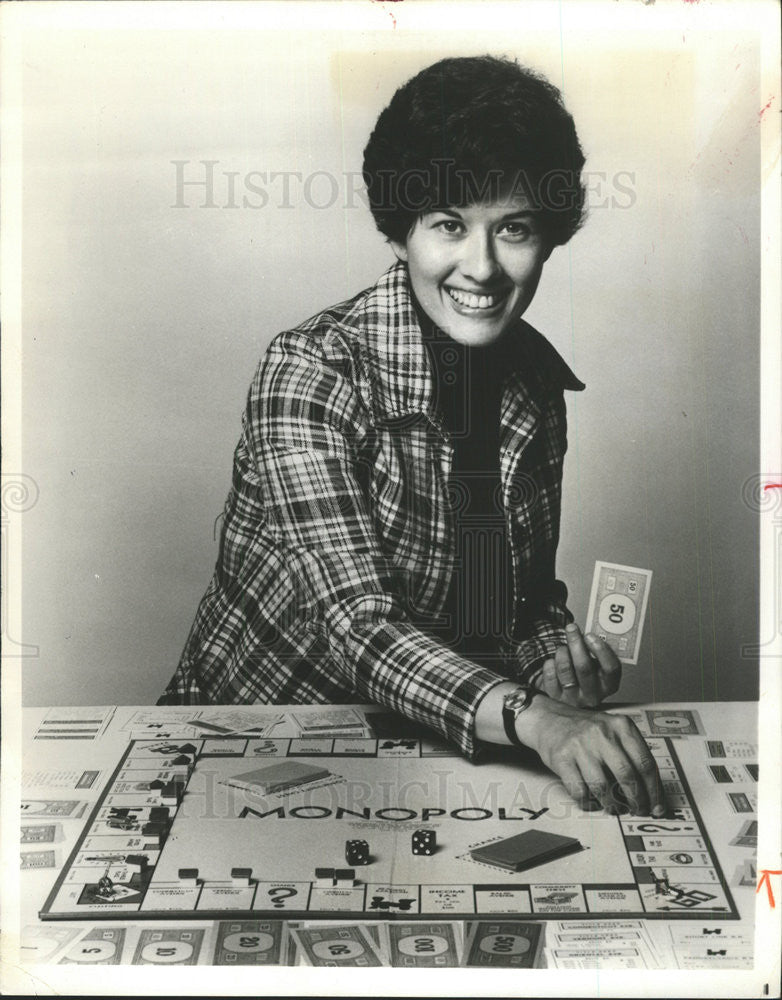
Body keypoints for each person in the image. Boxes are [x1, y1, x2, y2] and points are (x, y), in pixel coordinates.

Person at [160, 55, 666, 818]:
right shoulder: (311, 372)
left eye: (515, 228)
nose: (483, 268)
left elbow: (510, 605)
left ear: (550, 239)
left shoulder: (535, 387)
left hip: (428, 751)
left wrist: (553, 662)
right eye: (449, 225)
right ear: (401, 233)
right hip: (248, 748)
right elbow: (357, 628)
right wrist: (539, 719)